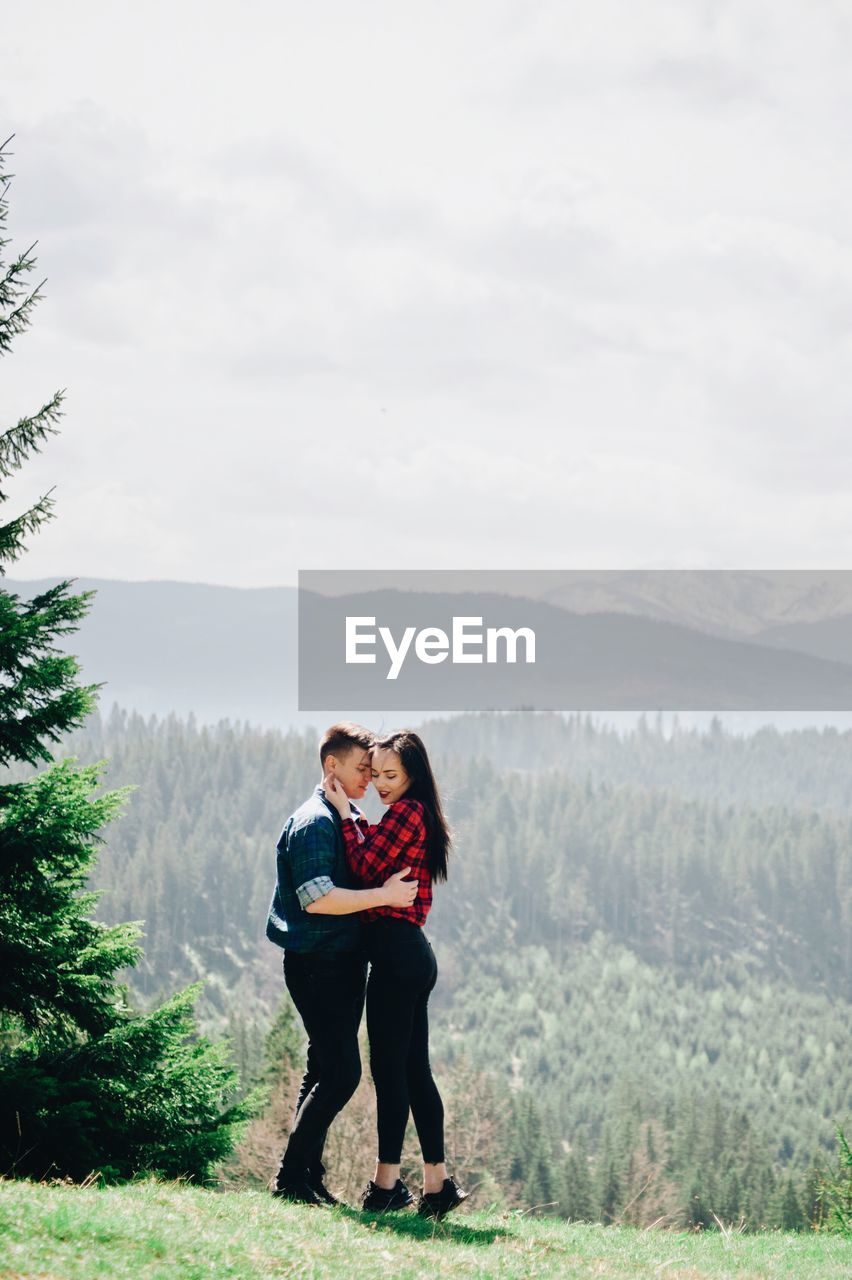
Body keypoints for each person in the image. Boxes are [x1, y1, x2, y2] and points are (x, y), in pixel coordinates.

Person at [265, 722, 418, 1207]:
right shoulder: (315, 821)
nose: (369, 779)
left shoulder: (342, 813)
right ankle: (290, 1179)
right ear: (332, 765)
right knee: (342, 1074)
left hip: (340, 964)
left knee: (321, 1070)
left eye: (373, 771)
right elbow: (316, 899)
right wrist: (385, 896)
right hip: (318, 965)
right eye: (360, 768)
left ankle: (308, 1179)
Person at [325, 729, 469, 1220]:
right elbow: (377, 854)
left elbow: (364, 865)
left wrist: (345, 815)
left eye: (391, 775)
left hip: (395, 956)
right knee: (412, 1072)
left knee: (391, 1075)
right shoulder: (412, 812)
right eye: (376, 774)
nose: (380, 783)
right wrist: (360, 819)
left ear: (412, 776)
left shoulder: (407, 812)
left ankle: (386, 1185)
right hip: (409, 956)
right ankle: (437, 1185)